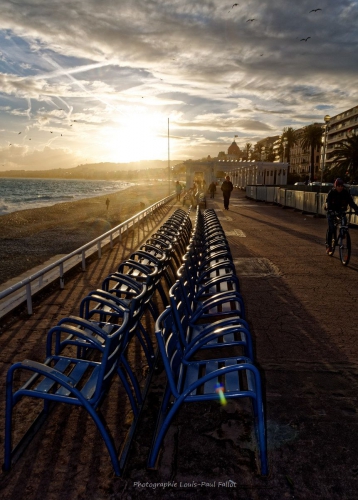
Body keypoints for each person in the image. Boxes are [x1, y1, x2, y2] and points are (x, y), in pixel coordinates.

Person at [325, 178, 358, 254]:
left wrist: (356, 209)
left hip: (341, 211)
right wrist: (329, 210)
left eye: (341, 186)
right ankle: (329, 245)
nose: (340, 187)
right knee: (332, 228)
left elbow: (351, 202)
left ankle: (343, 233)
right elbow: (328, 202)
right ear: (335, 186)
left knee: (344, 221)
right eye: (338, 186)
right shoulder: (331, 193)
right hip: (331, 211)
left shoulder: (345, 193)